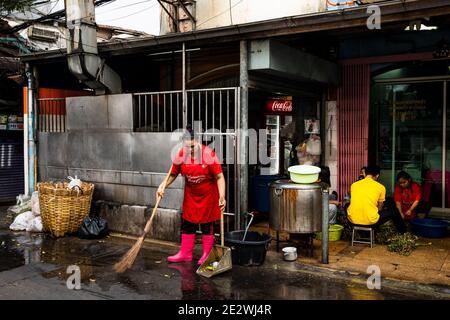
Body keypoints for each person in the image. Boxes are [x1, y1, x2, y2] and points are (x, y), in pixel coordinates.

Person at [157, 127, 226, 265]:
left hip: (208, 196)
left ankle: (207, 254)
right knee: (188, 224)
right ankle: (185, 253)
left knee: (207, 226)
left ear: (198, 141)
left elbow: (219, 176)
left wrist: (222, 196)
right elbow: (173, 173)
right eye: (187, 147)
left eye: (193, 146)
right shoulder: (182, 154)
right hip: (191, 196)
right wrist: (163, 185)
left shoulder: (208, 154)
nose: (190, 150)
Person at [347, 164, 406, 233]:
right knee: (394, 211)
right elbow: (380, 208)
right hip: (371, 222)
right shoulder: (381, 187)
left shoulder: (354, 185)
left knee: (347, 205)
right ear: (377, 175)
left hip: (353, 221)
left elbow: (352, 197)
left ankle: (362, 232)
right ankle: (403, 233)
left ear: (365, 173)